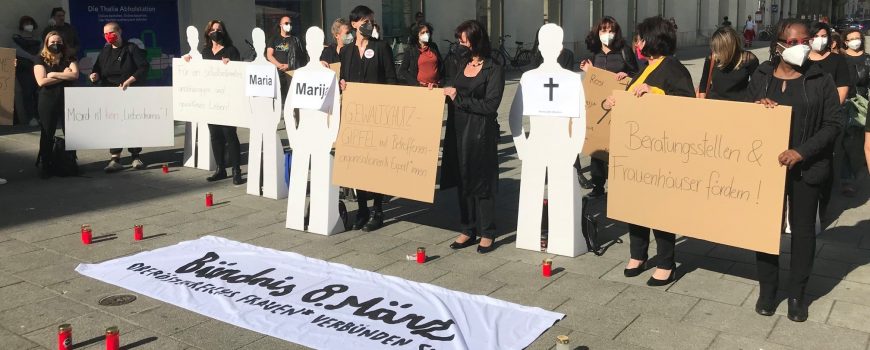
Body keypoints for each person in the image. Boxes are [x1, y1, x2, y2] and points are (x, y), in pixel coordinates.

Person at [749, 19, 841, 322]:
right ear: (778, 44)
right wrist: (757, 109)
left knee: (802, 233)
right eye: (793, 41)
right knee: (764, 230)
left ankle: (797, 295)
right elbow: (744, 117)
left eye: (806, 40)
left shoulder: (820, 78)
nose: (801, 45)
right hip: (767, 169)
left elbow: (833, 124)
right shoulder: (762, 75)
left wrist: (801, 152)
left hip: (807, 168)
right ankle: (768, 290)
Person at [603, 16, 694, 286]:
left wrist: (657, 93)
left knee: (658, 207)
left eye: (641, 38)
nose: (638, 43)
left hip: (660, 150)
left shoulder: (673, 68)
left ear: (655, 39)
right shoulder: (645, 66)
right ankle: (638, 254)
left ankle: (666, 262)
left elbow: (687, 104)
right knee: (635, 205)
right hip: (637, 149)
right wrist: (615, 100)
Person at [441, 19, 504, 254]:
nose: (460, 43)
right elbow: (451, 85)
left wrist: (460, 99)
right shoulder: (460, 63)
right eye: (459, 39)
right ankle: (467, 228)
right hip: (457, 129)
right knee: (462, 178)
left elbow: (491, 105)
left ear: (476, 40)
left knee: (482, 181)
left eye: (464, 39)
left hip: (480, 132)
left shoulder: (494, 67)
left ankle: (488, 232)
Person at [338, 5, 398, 232]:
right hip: (355, 116)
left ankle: (378, 210)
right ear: (354, 24)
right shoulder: (346, 51)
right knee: (358, 165)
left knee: (376, 165)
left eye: (370, 20)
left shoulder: (381, 47)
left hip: (378, 115)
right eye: (364, 20)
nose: (368, 24)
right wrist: (342, 84)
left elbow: (392, 80)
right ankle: (362, 208)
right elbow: (343, 79)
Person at [578, 16, 638, 199]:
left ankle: (621, 186)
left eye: (611, 30)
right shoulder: (594, 54)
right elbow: (593, 82)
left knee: (618, 147)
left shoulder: (624, 51)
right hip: (600, 108)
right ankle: (598, 187)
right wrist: (588, 72)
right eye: (604, 30)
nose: (607, 34)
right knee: (598, 146)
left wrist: (626, 73)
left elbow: (637, 74)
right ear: (597, 32)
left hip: (620, 106)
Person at [184, 20, 244, 185]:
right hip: (211, 100)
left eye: (219, 29)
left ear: (224, 32)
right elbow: (197, 72)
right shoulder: (205, 52)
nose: (216, 32)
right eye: (213, 29)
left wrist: (230, 66)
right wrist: (188, 61)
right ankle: (220, 168)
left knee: (229, 134)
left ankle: (236, 170)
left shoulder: (231, 50)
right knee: (215, 135)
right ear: (208, 32)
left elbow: (239, 74)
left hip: (227, 100)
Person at [89, 22, 150, 173]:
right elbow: (97, 69)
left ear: (119, 32)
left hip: (129, 92)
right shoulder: (105, 51)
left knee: (132, 123)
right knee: (113, 125)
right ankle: (115, 158)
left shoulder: (131, 48)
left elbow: (143, 66)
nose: (108, 36)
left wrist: (129, 81)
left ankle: (135, 156)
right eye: (105, 34)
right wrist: (94, 75)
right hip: (110, 94)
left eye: (111, 32)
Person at [33, 31, 78, 178]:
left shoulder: (69, 58)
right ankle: (46, 164)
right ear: (46, 44)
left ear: (63, 43)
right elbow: (41, 81)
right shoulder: (40, 59)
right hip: (48, 100)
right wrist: (63, 75)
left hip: (68, 99)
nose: (55, 44)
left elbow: (75, 75)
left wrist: (52, 74)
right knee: (47, 133)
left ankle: (71, 162)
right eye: (52, 42)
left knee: (71, 133)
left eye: (58, 42)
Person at [838, 28, 869, 197]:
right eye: (852, 39)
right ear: (846, 41)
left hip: (865, 105)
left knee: (863, 142)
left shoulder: (868, 59)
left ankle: (862, 167)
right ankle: (847, 179)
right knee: (847, 142)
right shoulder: (841, 59)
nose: (856, 41)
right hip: (847, 104)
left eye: (858, 38)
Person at [698, 26, 759, 101]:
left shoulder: (749, 59)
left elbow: (757, 87)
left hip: (739, 107)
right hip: (715, 105)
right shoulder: (712, 58)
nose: (715, 51)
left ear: (728, 48)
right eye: (714, 48)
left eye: (718, 48)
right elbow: (703, 85)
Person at [267, 15, 308, 105]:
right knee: (280, 99)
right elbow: (269, 55)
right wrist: (279, 65)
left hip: (292, 73)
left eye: (290, 23)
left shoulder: (296, 39)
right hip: (278, 73)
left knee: (291, 99)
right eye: (286, 23)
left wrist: (289, 65)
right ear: (280, 25)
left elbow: (302, 58)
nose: (288, 25)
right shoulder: (274, 39)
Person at [809, 22, 849, 104]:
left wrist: (833, 111)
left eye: (823, 36)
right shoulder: (802, 59)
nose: (820, 39)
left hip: (829, 110)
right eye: (816, 36)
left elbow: (842, 89)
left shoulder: (838, 60)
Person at [12, 15, 41, 127]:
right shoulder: (16, 38)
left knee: (38, 93)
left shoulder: (37, 38)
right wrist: (31, 57)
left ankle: (39, 116)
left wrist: (37, 57)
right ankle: (31, 117)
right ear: (21, 25)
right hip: (24, 69)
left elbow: (43, 48)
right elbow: (16, 50)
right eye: (26, 23)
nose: (29, 25)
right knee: (27, 93)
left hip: (37, 68)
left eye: (30, 23)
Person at [398, 22, 443, 87]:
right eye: (422, 33)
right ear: (417, 35)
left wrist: (440, 82)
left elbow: (441, 65)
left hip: (435, 86)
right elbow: (403, 70)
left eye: (427, 32)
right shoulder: (411, 49)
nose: (426, 34)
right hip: (419, 87)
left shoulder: (433, 46)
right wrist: (416, 83)